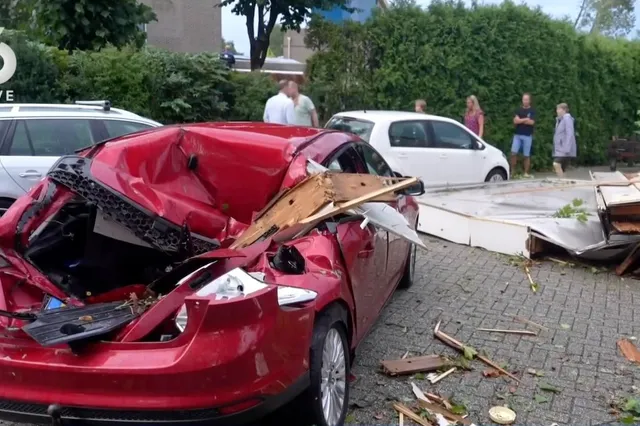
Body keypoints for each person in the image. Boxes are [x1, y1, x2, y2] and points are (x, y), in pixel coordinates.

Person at [511, 93, 536, 177]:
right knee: (513, 153)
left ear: (529, 100)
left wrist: (520, 120)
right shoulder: (518, 110)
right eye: (523, 99)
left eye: (526, 99)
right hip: (517, 135)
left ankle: (526, 173)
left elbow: (531, 122)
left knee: (526, 155)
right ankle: (513, 172)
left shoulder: (532, 111)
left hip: (527, 136)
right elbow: (515, 121)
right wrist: (525, 119)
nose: (525, 101)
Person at [553, 103, 576, 177]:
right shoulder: (559, 120)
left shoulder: (567, 119)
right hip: (560, 148)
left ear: (564, 110)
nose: (557, 111)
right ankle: (564, 183)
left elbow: (570, 134)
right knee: (562, 168)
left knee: (556, 164)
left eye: (558, 109)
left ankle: (562, 182)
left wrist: (567, 148)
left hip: (564, 149)